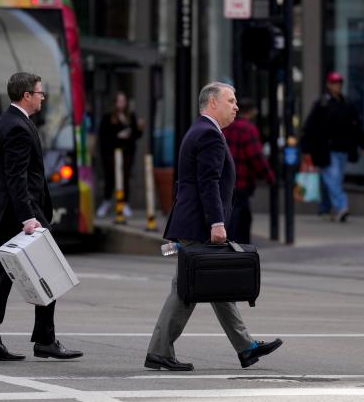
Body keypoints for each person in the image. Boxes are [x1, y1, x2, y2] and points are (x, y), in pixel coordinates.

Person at [144, 82, 282, 371]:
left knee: (212, 285)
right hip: (200, 226)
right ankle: (160, 351)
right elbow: (209, 183)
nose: (236, 106)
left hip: (192, 222)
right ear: (212, 103)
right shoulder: (209, 135)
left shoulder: (201, 130)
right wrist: (217, 223)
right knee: (187, 289)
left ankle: (245, 348)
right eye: (230, 101)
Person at [0, 72, 83, 361]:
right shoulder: (17, 128)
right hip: (21, 215)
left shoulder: (6, 122)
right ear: (26, 95)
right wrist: (28, 218)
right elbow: (16, 177)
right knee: (48, 271)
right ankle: (44, 340)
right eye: (39, 93)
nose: (42, 98)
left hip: (9, 213)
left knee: (1, 278)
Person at [300, 71, 364, 222]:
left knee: (334, 181)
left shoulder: (347, 104)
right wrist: (306, 149)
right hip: (327, 150)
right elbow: (309, 127)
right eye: (334, 83)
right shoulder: (322, 104)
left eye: (339, 83)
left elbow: (356, 126)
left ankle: (325, 208)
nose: (337, 86)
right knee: (333, 179)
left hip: (343, 149)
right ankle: (342, 207)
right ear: (328, 85)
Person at [222, 98, 275, 244]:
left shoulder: (225, 126)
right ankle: (235, 248)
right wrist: (269, 176)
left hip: (224, 179)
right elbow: (256, 157)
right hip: (241, 181)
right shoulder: (248, 129)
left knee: (234, 213)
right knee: (240, 217)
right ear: (250, 112)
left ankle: (233, 246)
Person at [96, 91, 142, 218]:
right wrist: (118, 137)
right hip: (111, 154)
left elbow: (136, 135)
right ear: (115, 103)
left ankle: (124, 203)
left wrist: (137, 129)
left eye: (123, 101)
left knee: (125, 178)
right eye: (119, 101)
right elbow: (103, 137)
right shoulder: (108, 117)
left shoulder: (130, 116)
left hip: (127, 153)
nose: (121, 104)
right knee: (109, 178)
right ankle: (106, 202)